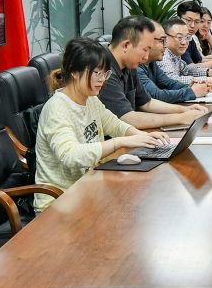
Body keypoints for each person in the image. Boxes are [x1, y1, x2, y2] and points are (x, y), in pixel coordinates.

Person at [36, 38, 169, 192]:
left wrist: (142, 137)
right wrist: (118, 142)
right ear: (74, 72)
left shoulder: (91, 99)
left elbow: (114, 124)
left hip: (90, 184)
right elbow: (71, 156)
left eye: (105, 73)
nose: (102, 79)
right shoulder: (57, 109)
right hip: (62, 196)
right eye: (96, 73)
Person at [98, 17, 208, 129]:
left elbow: (147, 103)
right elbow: (127, 118)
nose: (146, 57)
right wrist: (181, 118)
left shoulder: (129, 64)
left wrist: (185, 110)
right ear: (126, 45)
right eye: (145, 49)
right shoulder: (102, 70)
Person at [142, 23, 212, 103]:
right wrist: (192, 92)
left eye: (187, 37)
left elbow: (169, 83)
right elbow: (156, 95)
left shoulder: (152, 64)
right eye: (162, 41)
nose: (165, 45)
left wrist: (191, 85)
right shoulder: (138, 67)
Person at [159, 20, 212, 87]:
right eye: (179, 37)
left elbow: (186, 71)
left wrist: (210, 72)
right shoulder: (163, 55)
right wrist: (208, 80)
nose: (184, 42)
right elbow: (171, 80)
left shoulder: (174, 55)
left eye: (187, 37)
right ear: (165, 38)